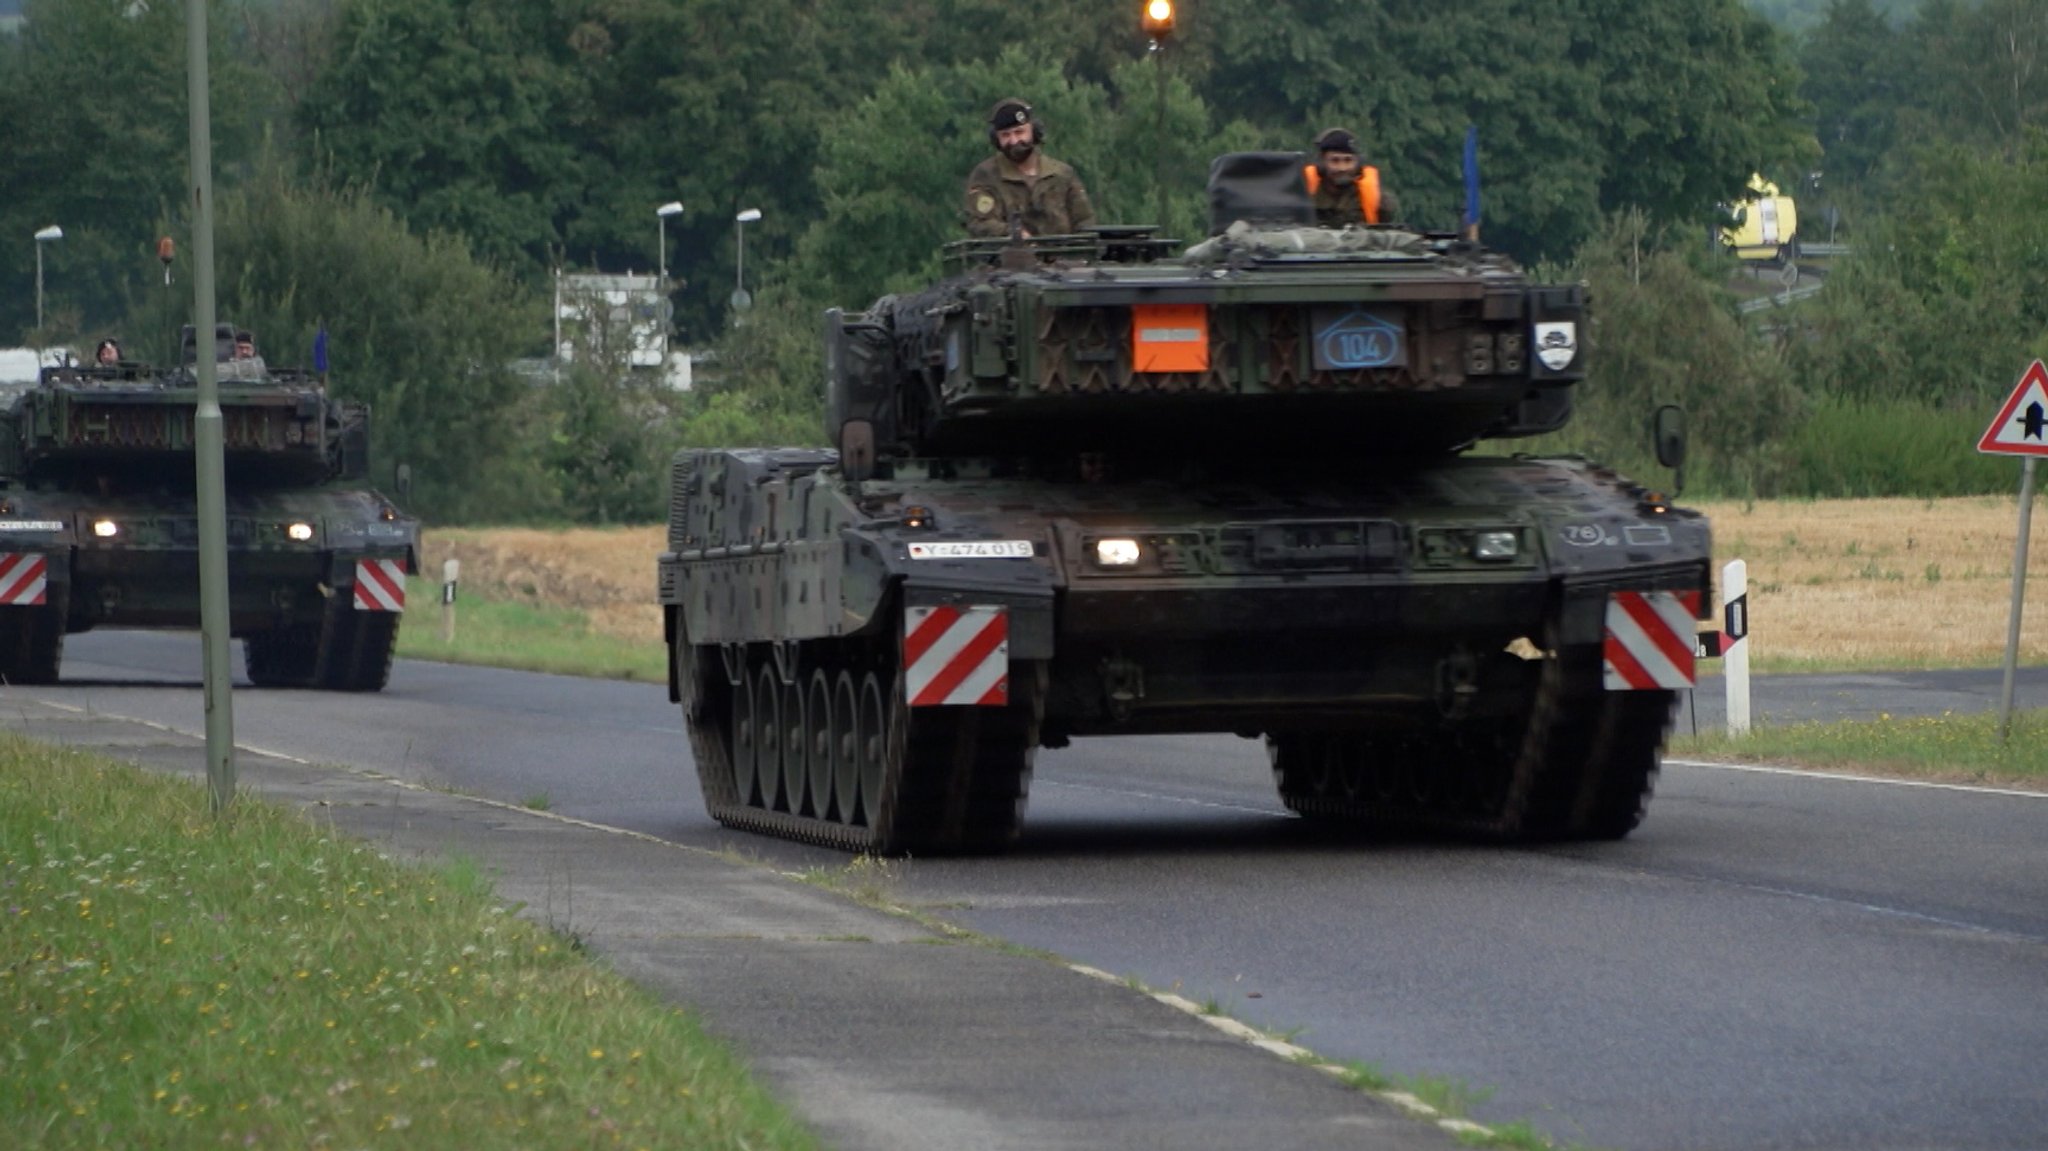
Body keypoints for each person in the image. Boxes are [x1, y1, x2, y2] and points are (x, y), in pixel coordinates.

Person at [964, 98, 1097, 239]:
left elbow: (1084, 222)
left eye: (1019, 132)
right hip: (1010, 257)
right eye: (1006, 135)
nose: (1014, 141)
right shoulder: (986, 175)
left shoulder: (1061, 174)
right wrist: (1013, 233)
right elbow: (980, 222)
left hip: (1063, 256)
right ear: (996, 139)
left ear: (1034, 132)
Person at [1302, 127, 1400, 228]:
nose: (1342, 168)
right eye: (1335, 161)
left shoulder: (1377, 201)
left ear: (1358, 164)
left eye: (1348, 160)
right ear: (1321, 164)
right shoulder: (1303, 194)